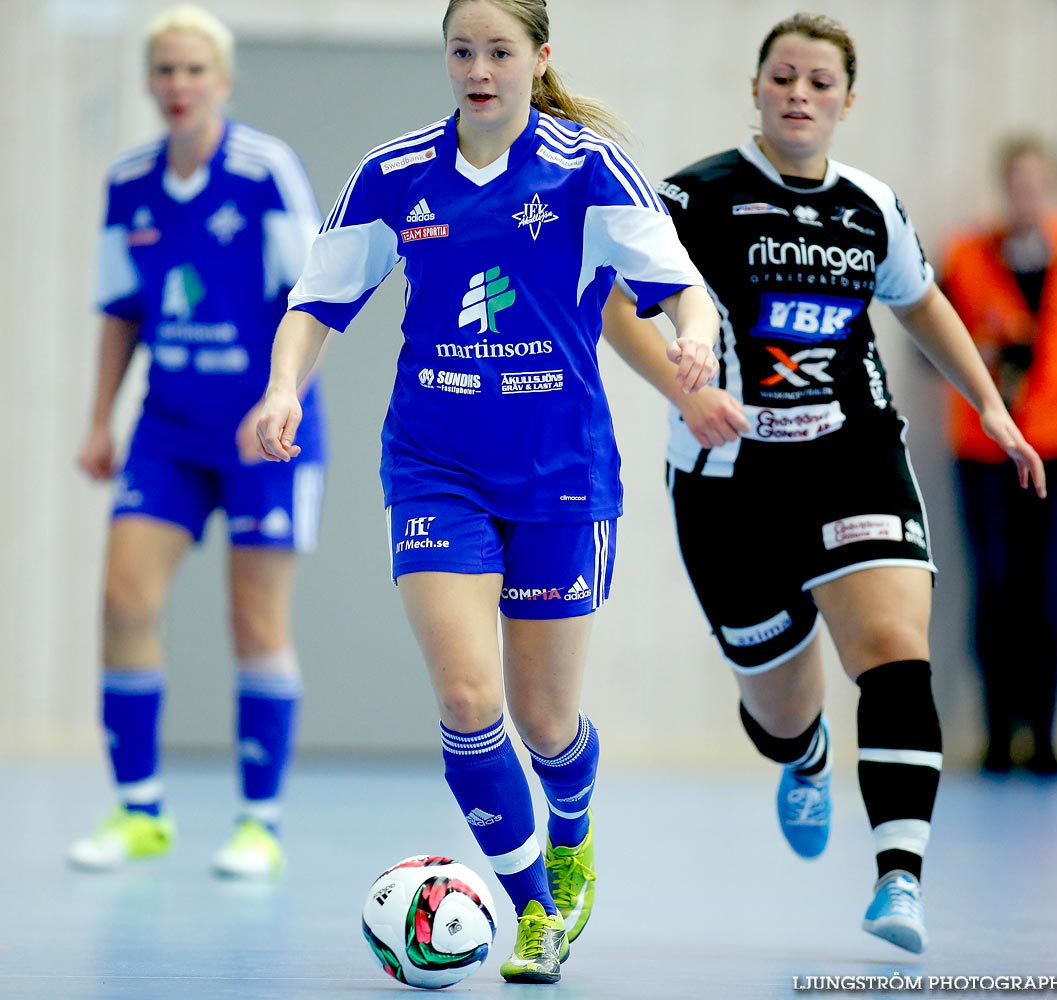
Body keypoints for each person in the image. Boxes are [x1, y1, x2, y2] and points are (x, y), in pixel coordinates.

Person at [255, 0, 719, 983]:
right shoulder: (394, 175)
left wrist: (695, 344)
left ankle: (573, 829)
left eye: (500, 51)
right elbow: (318, 299)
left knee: (547, 720)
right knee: (470, 696)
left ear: (538, 58)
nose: (479, 67)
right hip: (435, 462)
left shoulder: (585, 167)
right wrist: (280, 388)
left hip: (559, 474)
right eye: (462, 49)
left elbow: (681, 284)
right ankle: (534, 911)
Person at [601, 12, 1045, 955]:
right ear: (757, 89)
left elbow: (923, 302)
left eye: (819, 82)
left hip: (853, 456)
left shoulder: (870, 206)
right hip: (729, 479)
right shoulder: (695, 197)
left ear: (848, 100)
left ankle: (898, 877)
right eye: (783, 78)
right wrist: (690, 393)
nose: (800, 95)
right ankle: (803, 757)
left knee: (892, 647)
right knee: (781, 705)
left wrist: (991, 407)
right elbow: (614, 307)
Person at [68, 3, 325, 880]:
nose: (178, 86)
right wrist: (101, 418)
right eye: (164, 71)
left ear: (223, 80)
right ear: (149, 82)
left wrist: (280, 403)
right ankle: (140, 811)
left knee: (255, 619)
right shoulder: (128, 181)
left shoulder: (264, 171)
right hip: (167, 434)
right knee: (123, 601)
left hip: (264, 434)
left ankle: (261, 822)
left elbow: (314, 301)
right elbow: (120, 312)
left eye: (194, 70)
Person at [941, 137, 1057, 778]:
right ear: (1005, 188)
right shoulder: (967, 256)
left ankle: (1046, 737)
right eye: (1017, 183)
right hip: (984, 447)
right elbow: (931, 340)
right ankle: (1000, 735)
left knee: (1046, 588)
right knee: (993, 584)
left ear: (1051, 186)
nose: (1027, 195)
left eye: (1038, 183)